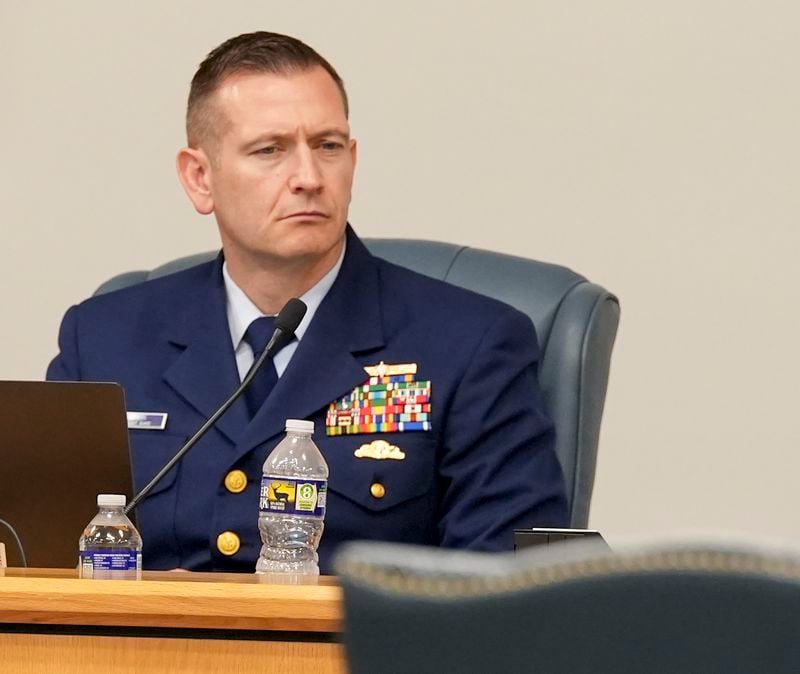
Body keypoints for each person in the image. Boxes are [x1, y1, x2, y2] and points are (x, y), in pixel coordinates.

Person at [47, 31, 567, 573]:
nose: (309, 178)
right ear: (200, 178)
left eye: (328, 146)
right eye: (270, 150)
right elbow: (38, 566)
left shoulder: (471, 345)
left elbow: (508, 591)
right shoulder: (104, 341)